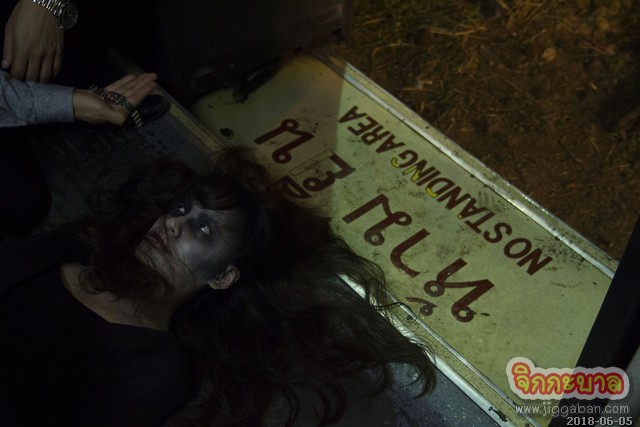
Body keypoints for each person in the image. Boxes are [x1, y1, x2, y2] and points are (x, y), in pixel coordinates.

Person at [0, 151, 436, 426]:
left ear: (223, 277)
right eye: (181, 209)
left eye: (203, 228)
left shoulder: (154, 365)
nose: (173, 224)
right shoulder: (73, 248)